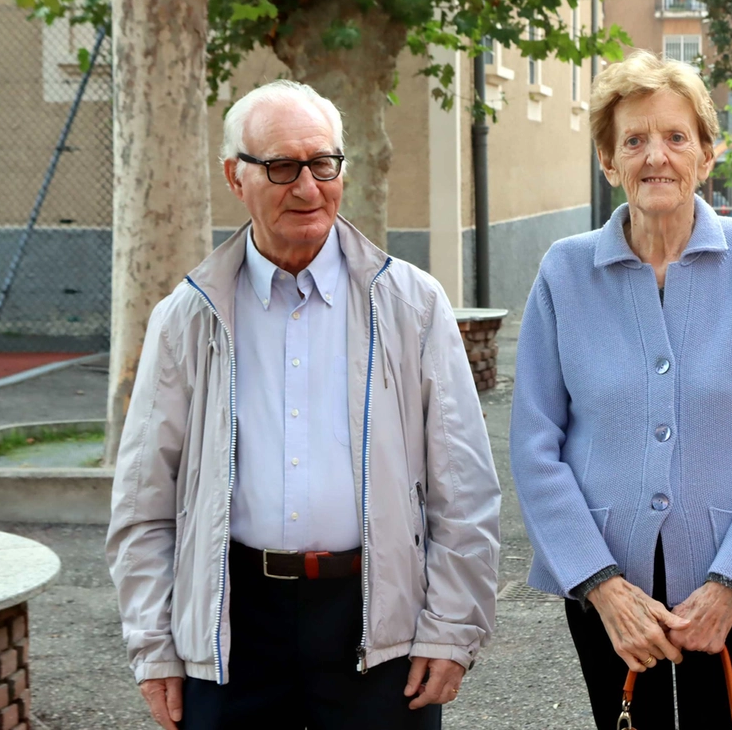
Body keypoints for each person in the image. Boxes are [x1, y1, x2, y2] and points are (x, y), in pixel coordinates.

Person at [107, 80, 501, 730]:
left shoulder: (411, 304)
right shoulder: (186, 317)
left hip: (377, 621)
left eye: (323, 163)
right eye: (282, 166)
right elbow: (144, 500)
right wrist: (154, 646)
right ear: (236, 177)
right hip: (233, 624)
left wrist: (452, 627)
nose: (308, 186)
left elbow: (464, 486)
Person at [510, 50, 732, 729]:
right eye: (635, 140)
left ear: (707, 154)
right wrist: (601, 587)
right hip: (611, 590)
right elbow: (535, 442)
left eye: (676, 137)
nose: (656, 157)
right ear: (609, 161)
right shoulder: (565, 272)